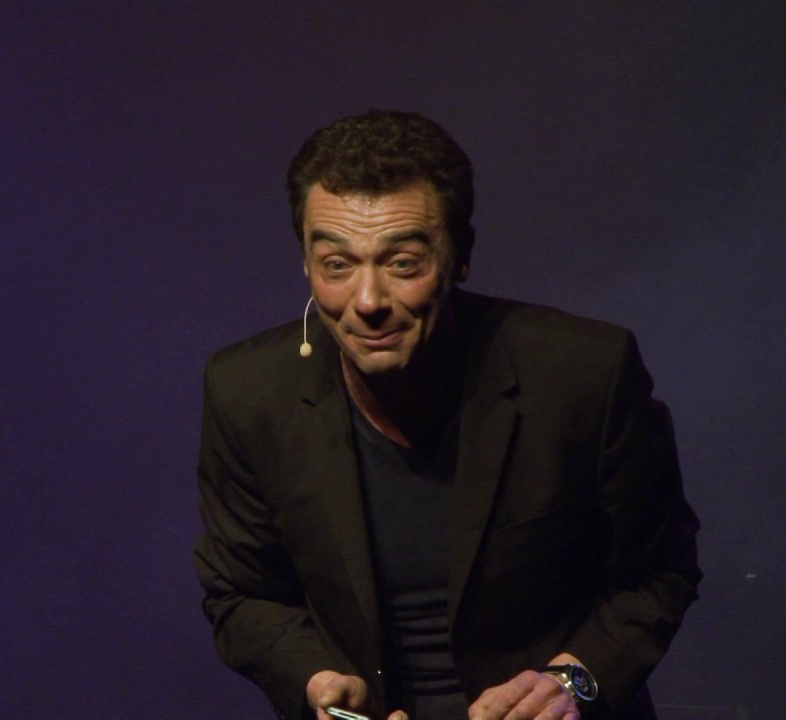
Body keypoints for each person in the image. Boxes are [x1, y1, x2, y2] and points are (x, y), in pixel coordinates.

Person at [192, 109, 701, 720]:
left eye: (403, 263)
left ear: (461, 256)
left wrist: (572, 683)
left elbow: (659, 573)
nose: (368, 301)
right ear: (306, 261)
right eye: (337, 265)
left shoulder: (584, 375)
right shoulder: (248, 392)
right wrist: (315, 681)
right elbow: (241, 593)